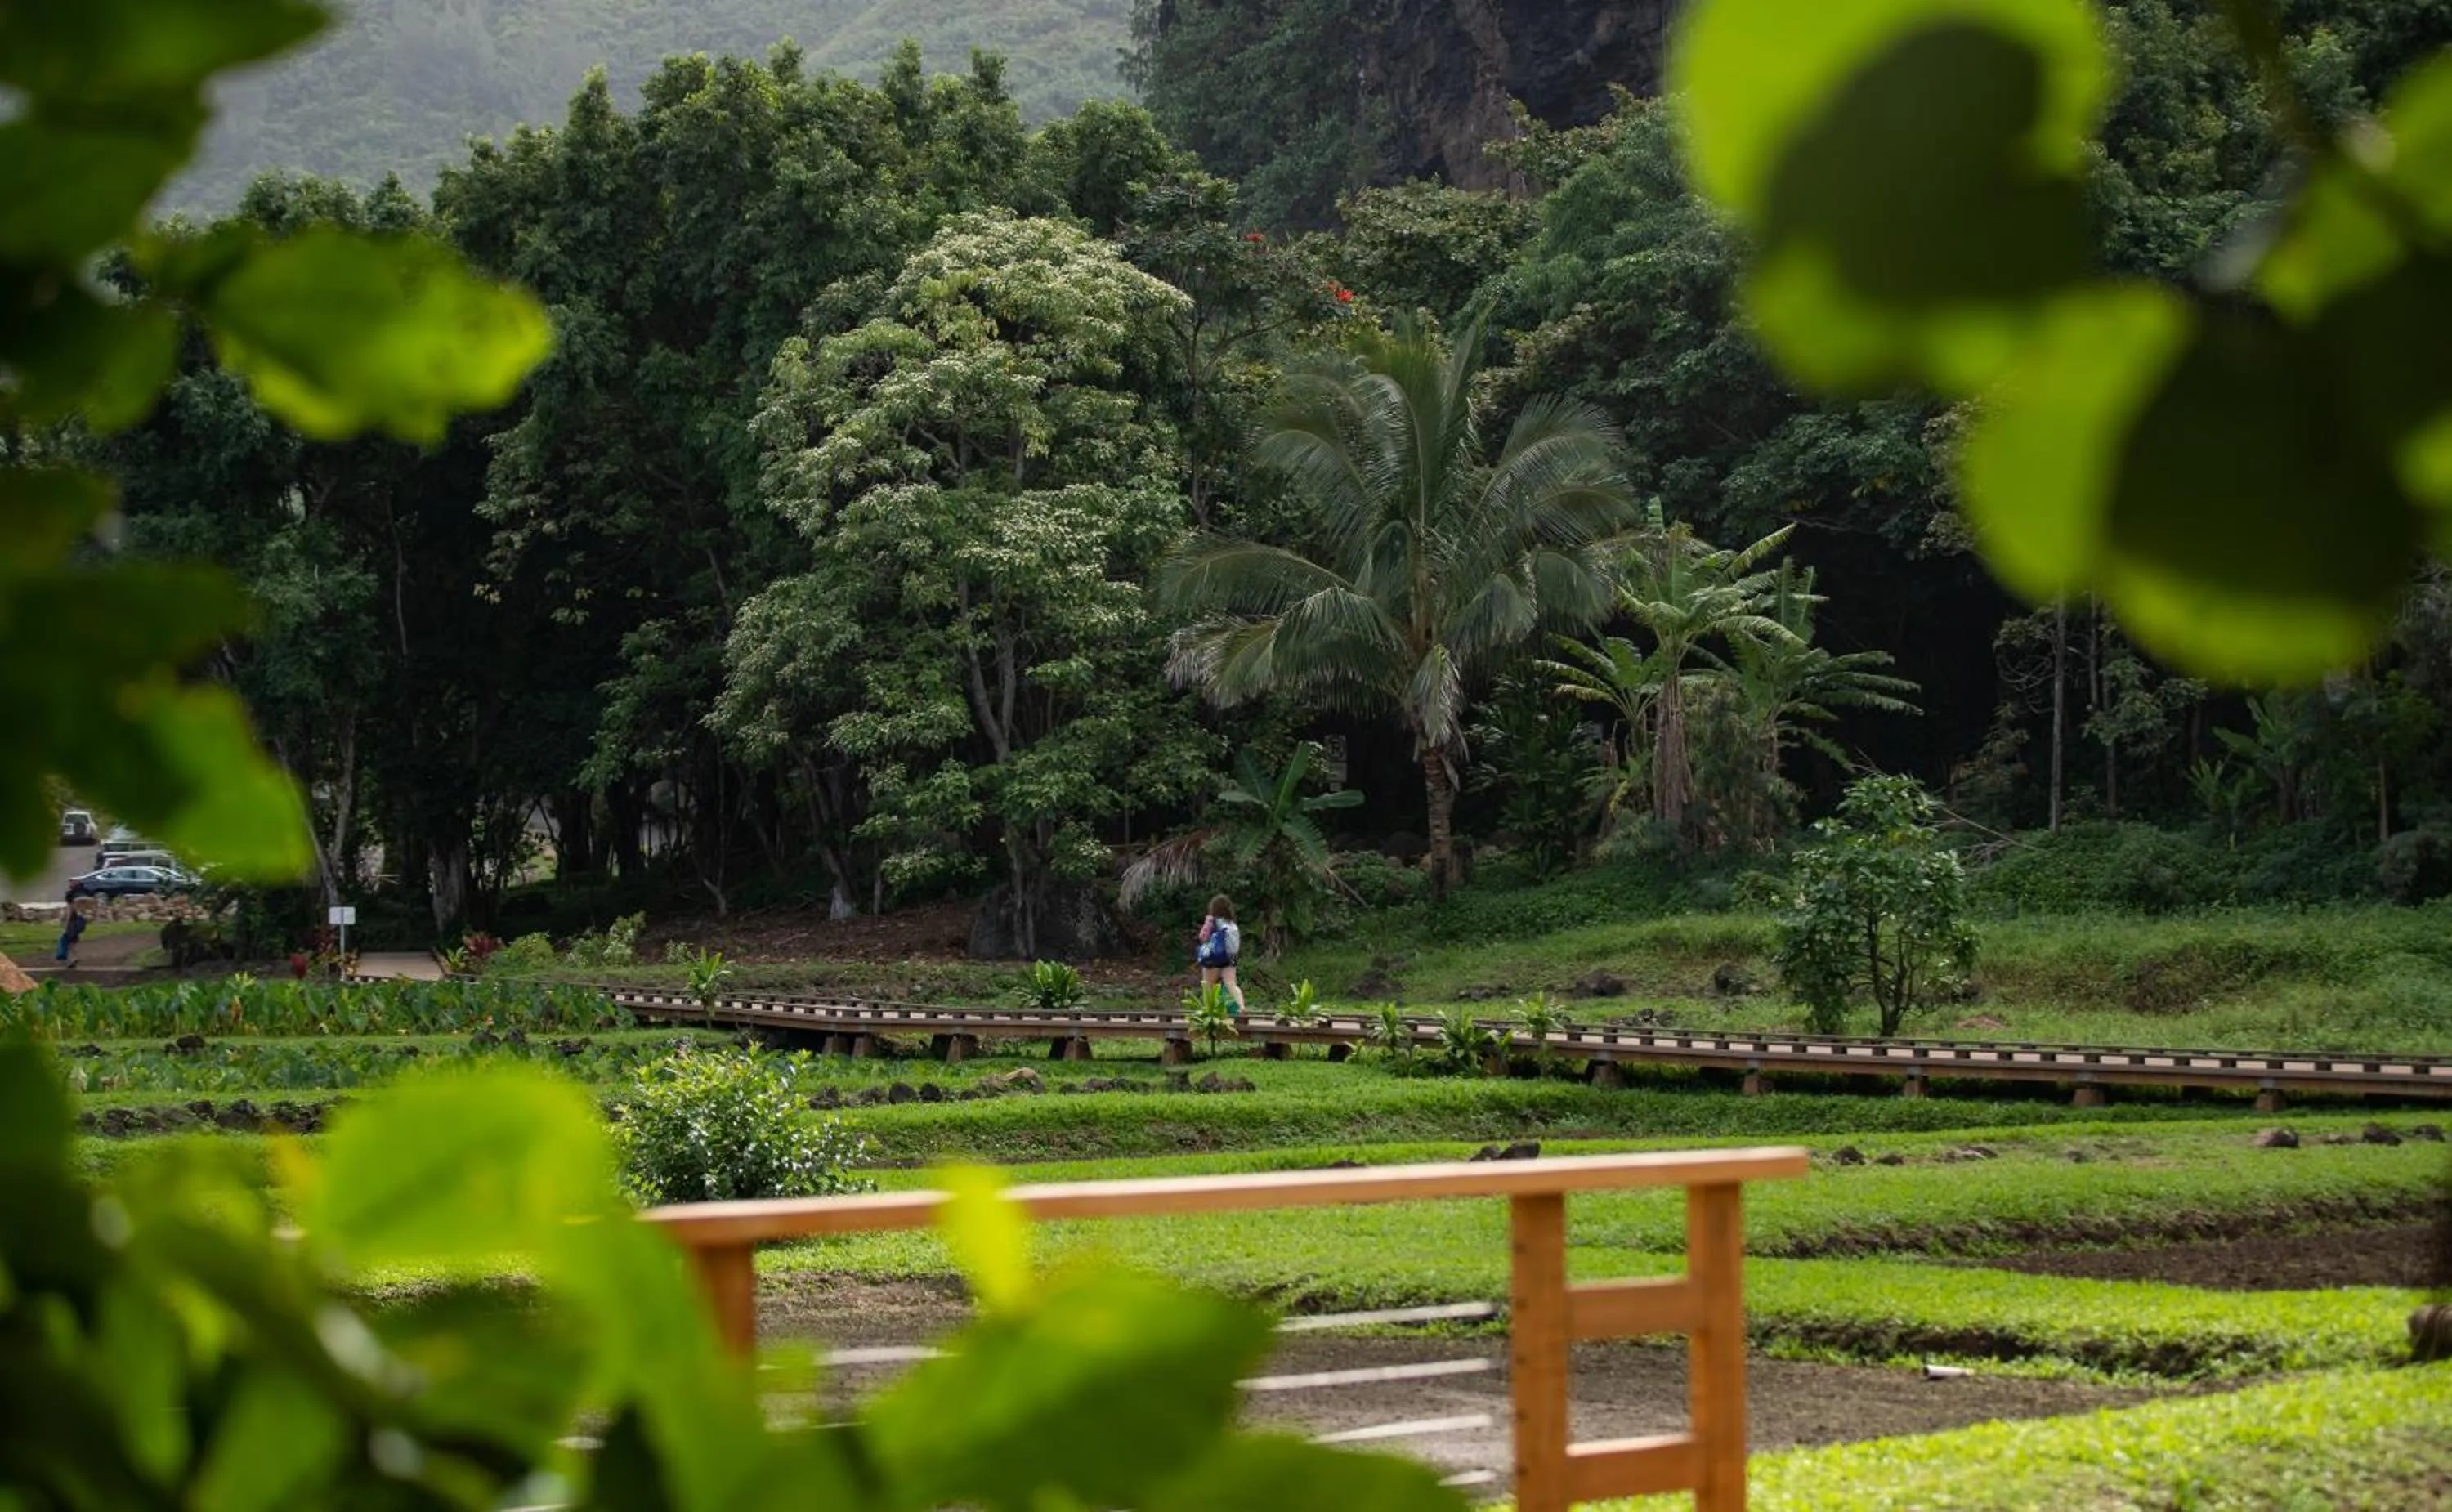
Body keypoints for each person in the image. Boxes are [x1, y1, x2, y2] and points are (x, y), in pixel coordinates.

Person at [1194, 893, 1246, 1016]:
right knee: (1231, 983)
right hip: (1232, 957)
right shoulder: (1232, 925)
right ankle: (1241, 1006)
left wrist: (1207, 924)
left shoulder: (1213, 921)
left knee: (1208, 985)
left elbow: (1203, 937)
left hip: (1216, 956)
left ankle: (1210, 1011)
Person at [55, 893, 87, 965]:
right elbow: (80, 915)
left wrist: (66, 928)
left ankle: (70, 960)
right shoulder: (75, 906)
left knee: (67, 943)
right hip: (75, 928)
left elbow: (68, 918)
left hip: (70, 927)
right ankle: (75, 957)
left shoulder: (69, 907)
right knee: (73, 943)